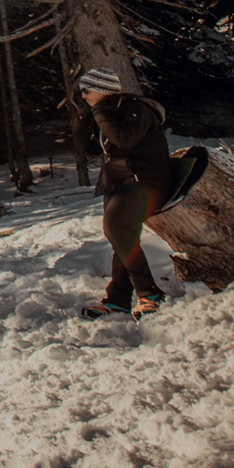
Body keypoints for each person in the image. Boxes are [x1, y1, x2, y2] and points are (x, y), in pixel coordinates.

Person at [77, 67, 173, 318]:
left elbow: (124, 140)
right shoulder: (110, 113)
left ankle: (149, 293)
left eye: (86, 90)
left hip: (145, 181)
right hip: (120, 182)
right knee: (122, 238)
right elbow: (90, 149)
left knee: (116, 229)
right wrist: (85, 120)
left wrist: (99, 112)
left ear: (101, 89)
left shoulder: (135, 108)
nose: (83, 96)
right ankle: (118, 300)